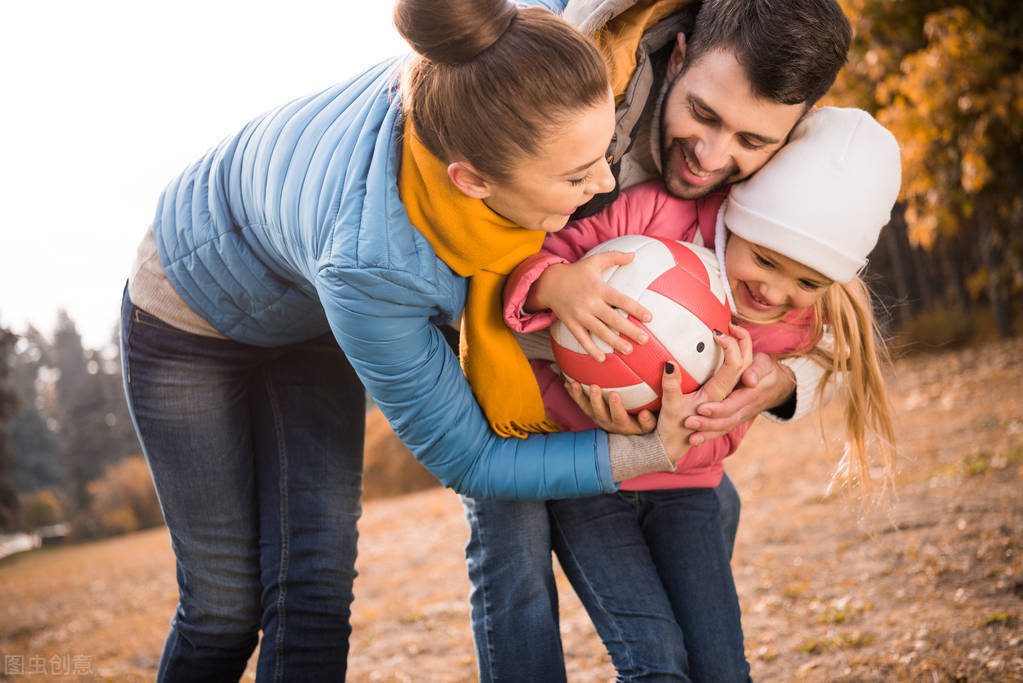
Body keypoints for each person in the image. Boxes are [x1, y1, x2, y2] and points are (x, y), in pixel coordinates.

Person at [120, 0, 705, 679]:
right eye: (576, 177)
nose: (604, 183)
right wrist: (642, 452)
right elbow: (474, 460)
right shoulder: (373, 265)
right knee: (222, 606)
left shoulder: (503, 53)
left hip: (307, 313)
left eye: (599, 154)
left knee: (313, 579)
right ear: (472, 181)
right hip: (187, 312)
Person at [459, 0, 854, 680]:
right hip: (527, 398)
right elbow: (493, 271)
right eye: (702, 114)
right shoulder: (572, 102)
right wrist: (561, 299)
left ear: (791, 136)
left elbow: (837, 342)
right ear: (675, 60)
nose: (711, 156)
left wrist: (777, 384)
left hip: (680, 472)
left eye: (751, 141)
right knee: (514, 546)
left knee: (708, 631)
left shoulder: (786, 207)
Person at [500, 106, 901, 680]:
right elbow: (534, 263)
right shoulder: (653, 215)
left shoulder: (797, 322)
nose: (776, 290)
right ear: (739, 214)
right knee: (654, 660)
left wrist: (754, 397)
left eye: (807, 282)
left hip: (688, 489)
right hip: (592, 477)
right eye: (764, 257)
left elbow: (827, 364)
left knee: (721, 667)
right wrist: (556, 285)